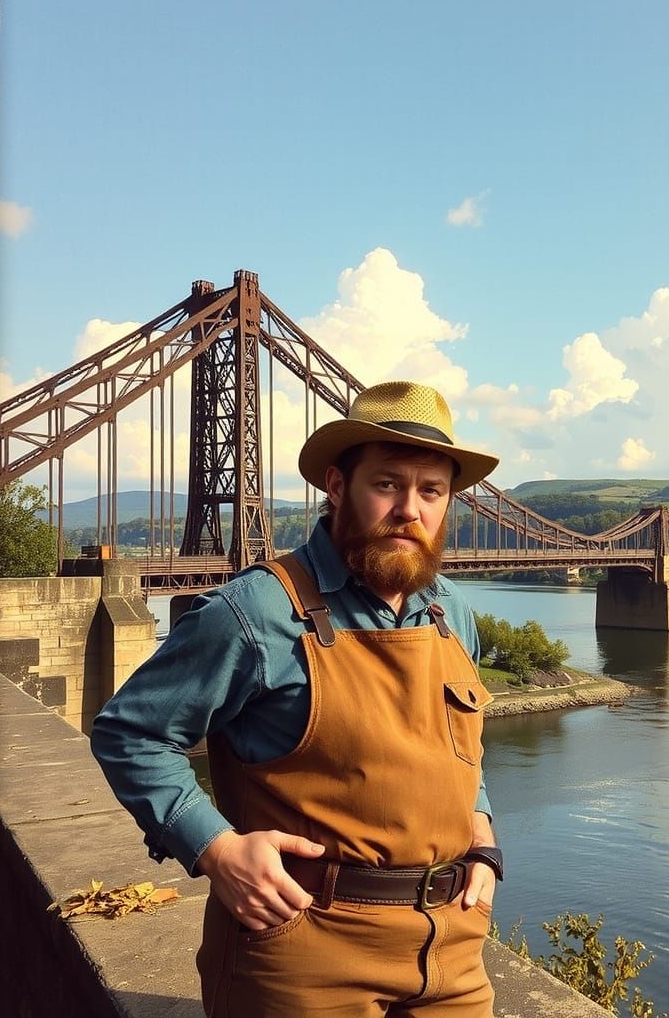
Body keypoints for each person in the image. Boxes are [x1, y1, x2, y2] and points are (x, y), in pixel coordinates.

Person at [91, 381, 504, 1017]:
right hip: (303, 948)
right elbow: (131, 732)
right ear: (337, 487)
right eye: (387, 484)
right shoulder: (255, 610)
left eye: (431, 491)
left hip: (453, 948)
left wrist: (481, 834)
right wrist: (216, 848)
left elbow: (458, 750)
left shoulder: (453, 613)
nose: (410, 510)